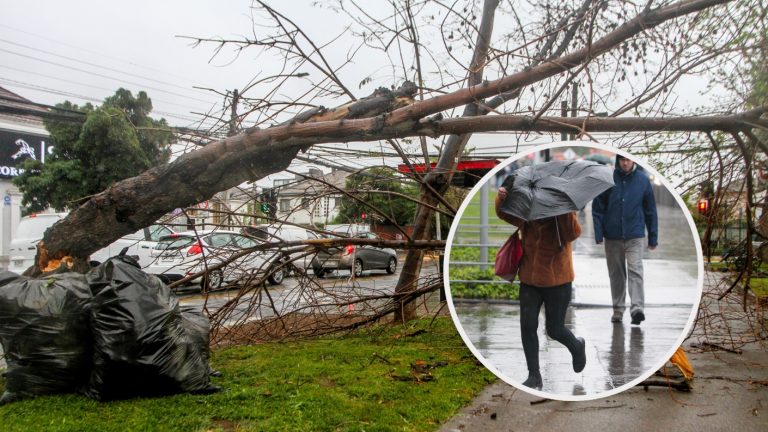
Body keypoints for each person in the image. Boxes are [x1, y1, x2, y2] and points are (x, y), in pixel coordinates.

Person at [495, 186, 587, 391]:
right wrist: (501, 199)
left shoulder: (562, 210)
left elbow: (573, 233)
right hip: (529, 278)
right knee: (527, 326)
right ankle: (534, 376)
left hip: (558, 280)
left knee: (555, 329)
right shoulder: (528, 208)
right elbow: (505, 214)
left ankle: (576, 345)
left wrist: (565, 209)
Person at [592, 155, 658, 325]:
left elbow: (650, 210)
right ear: (618, 161)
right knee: (617, 274)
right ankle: (618, 309)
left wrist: (653, 237)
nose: (625, 163)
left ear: (634, 161)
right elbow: (598, 208)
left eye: (628, 160)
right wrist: (598, 233)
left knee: (636, 270)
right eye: (622, 159)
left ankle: (637, 308)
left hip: (634, 234)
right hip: (612, 235)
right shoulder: (608, 179)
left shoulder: (643, 181)